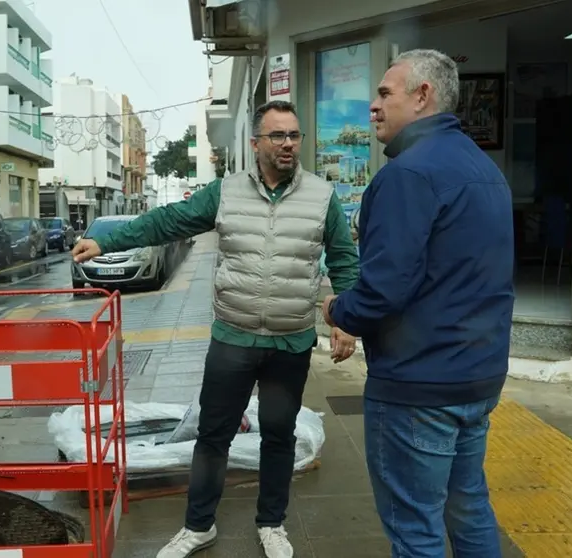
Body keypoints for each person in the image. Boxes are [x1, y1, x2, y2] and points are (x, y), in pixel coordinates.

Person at [72, 100, 359, 558]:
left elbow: (344, 259)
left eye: (294, 136)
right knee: (213, 436)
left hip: (290, 341)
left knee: (278, 436)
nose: (287, 144)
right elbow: (167, 222)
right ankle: (198, 525)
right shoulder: (224, 193)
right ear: (255, 144)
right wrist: (106, 239)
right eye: (277, 136)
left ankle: (272, 523)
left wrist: (346, 320)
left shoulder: (322, 197)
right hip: (233, 338)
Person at [322, 49, 514, 558]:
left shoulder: (406, 174)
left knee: (416, 528)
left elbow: (382, 292)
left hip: (418, 387)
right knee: (468, 507)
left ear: (422, 95)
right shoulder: (484, 169)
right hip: (478, 379)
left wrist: (338, 310)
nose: (373, 107)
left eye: (385, 93)